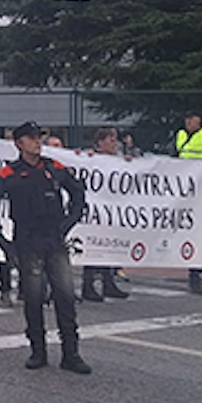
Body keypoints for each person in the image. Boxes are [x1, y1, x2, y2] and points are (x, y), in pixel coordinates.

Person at [0, 121, 91, 374]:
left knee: (65, 297)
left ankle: (71, 354)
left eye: (39, 138)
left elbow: (78, 192)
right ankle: (38, 351)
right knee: (33, 299)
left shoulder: (54, 168)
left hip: (54, 240)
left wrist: (69, 222)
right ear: (19, 144)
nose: (37, 143)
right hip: (27, 242)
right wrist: (3, 243)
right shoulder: (8, 174)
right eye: (31, 139)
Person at [80, 129, 129, 302]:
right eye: (110, 140)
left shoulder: (117, 160)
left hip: (111, 211)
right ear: (100, 142)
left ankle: (109, 283)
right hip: (95, 212)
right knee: (93, 249)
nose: (114, 143)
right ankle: (88, 285)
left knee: (110, 248)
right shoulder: (91, 159)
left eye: (114, 140)